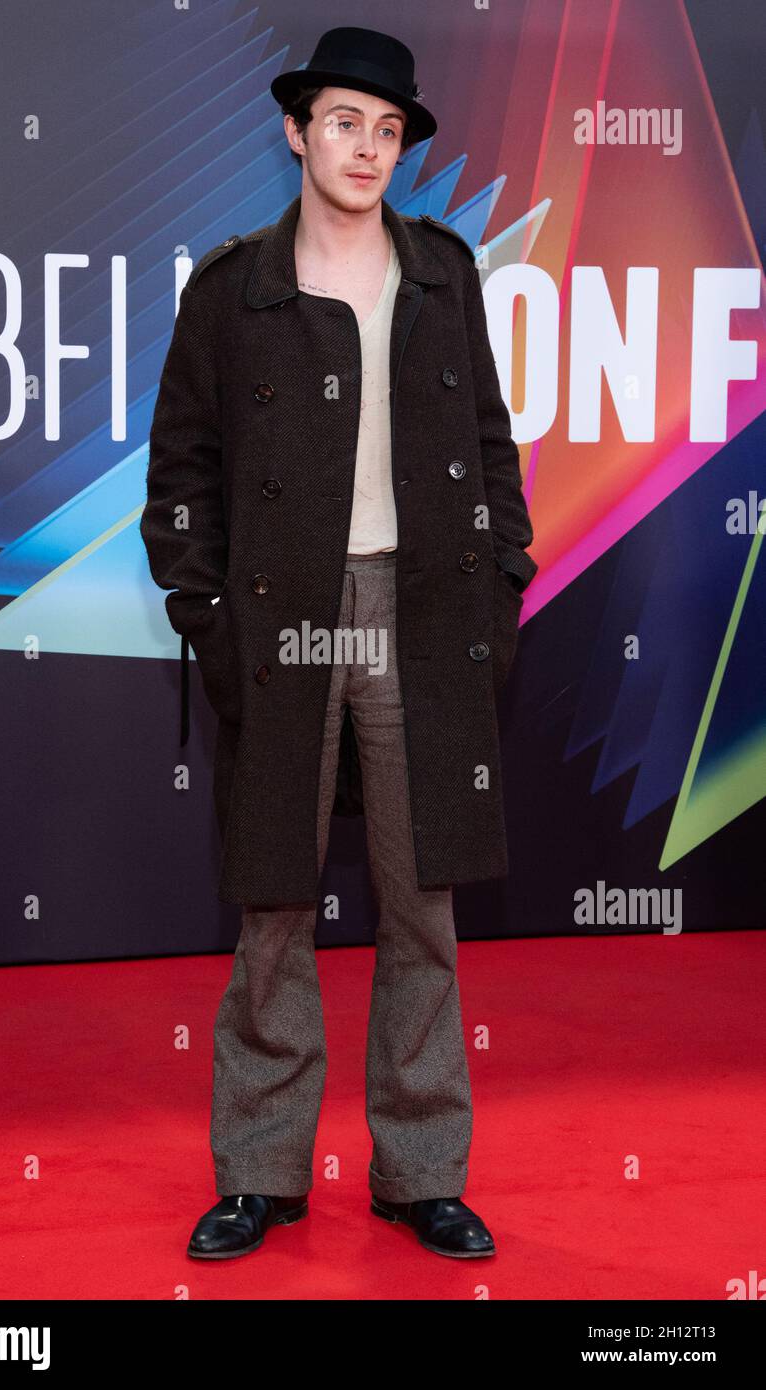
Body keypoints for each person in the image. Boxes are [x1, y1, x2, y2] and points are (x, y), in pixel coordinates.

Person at [141, 26, 537, 1260]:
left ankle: (421, 1172)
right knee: (274, 903)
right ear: (297, 132)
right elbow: (182, 476)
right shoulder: (232, 289)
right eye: (345, 122)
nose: (368, 148)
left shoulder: (442, 276)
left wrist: (499, 584)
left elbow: (490, 446)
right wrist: (210, 620)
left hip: (422, 616)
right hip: (282, 618)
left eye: (389, 129)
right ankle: (260, 1170)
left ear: (403, 147)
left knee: (424, 908)